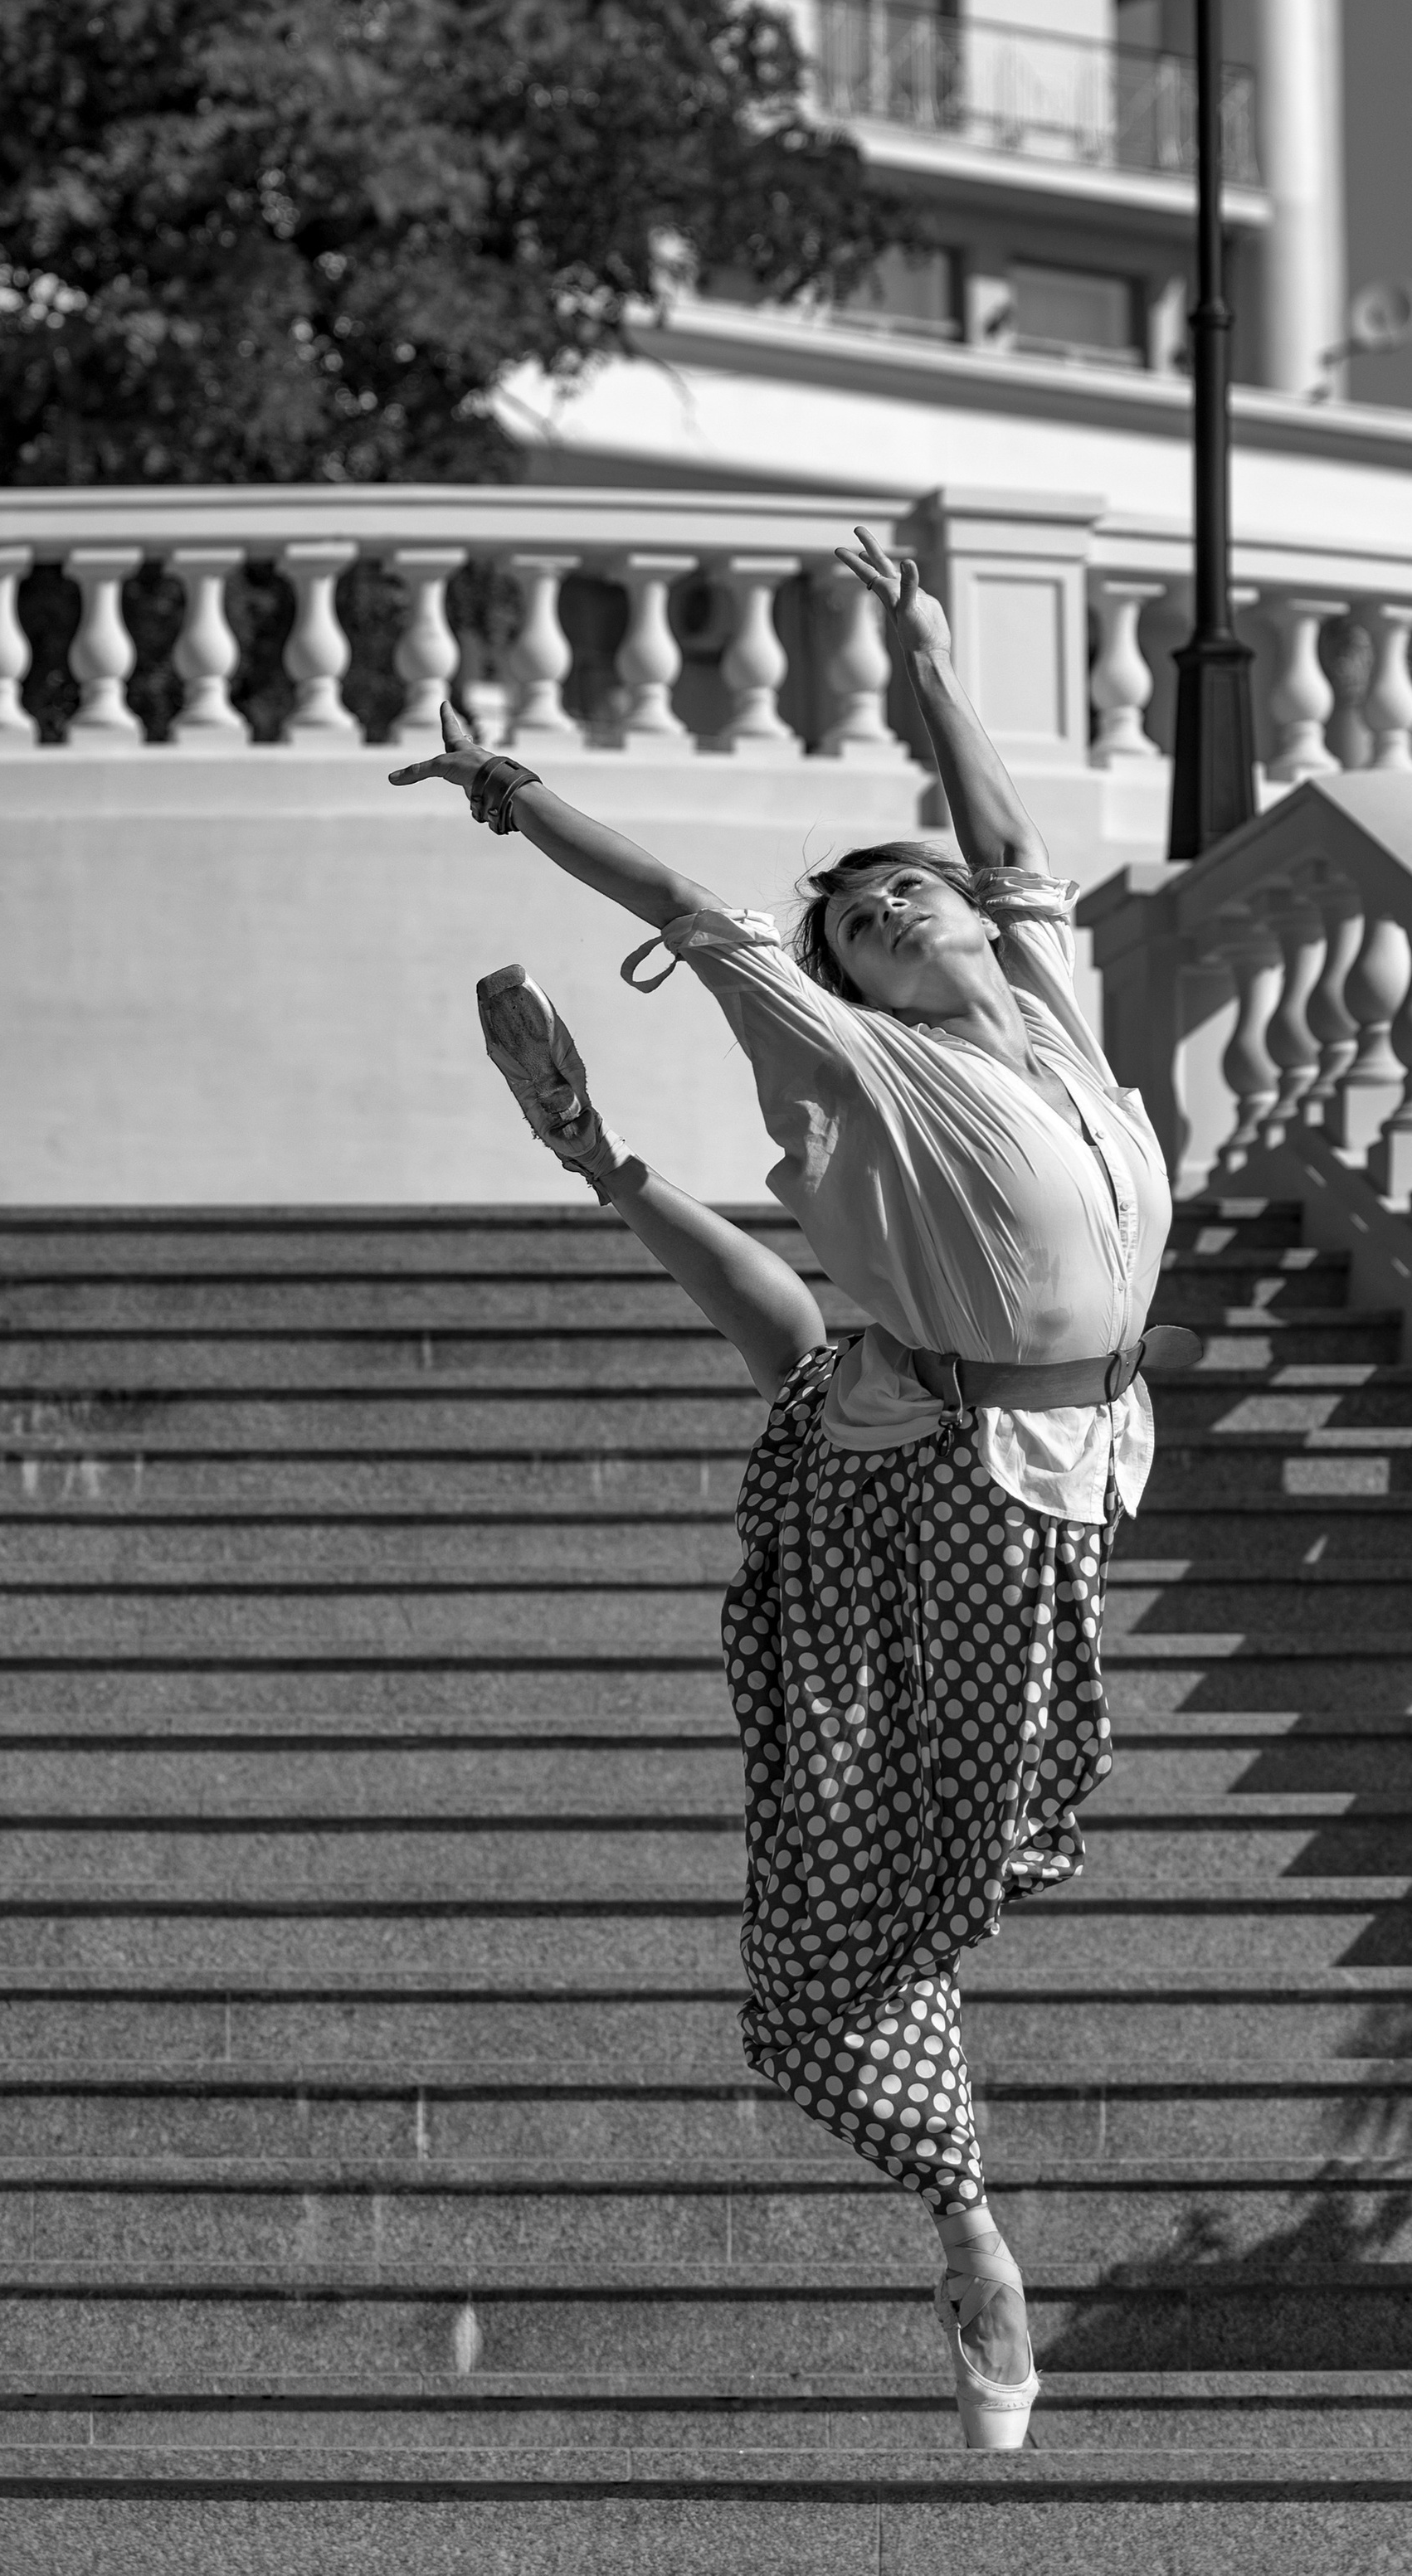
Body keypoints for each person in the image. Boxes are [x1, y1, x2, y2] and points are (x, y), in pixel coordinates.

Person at [389, 529, 1181, 2450]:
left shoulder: (1056, 1012)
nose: (901, 907)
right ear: (845, 987)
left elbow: (1008, 849)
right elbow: (682, 894)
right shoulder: (861, 1051)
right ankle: (966, 2221)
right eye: (861, 919)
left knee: (940, 1840)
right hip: (947, 1485)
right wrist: (518, 796)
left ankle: (954, 2197)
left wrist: (927, 659)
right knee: (888, 1880)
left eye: (909, 892)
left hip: (1040, 1452)